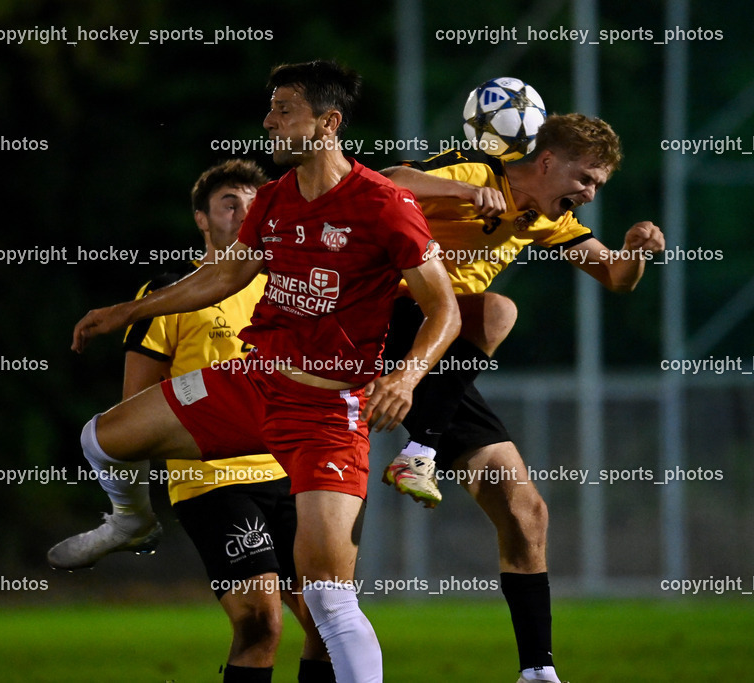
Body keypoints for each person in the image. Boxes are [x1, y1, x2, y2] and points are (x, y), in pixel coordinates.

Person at [48, 60, 461, 683]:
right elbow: (223, 277)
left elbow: (444, 310)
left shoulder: (384, 205)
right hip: (252, 385)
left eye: (283, 109)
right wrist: (126, 310)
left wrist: (403, 379)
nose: (268, 120)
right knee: (99, 439)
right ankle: (131, 520)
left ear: (329, 123)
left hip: (325, 415)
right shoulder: (273, 199)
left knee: (326, 601)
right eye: (269, 108)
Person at [379, 113, 666, 683]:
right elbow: (386, 179)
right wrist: (466, 190)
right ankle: (419, 452)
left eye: (598, 186)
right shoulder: (479, 172)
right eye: (585, 179)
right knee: (498, 310)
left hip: (437, 358)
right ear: (546, 162)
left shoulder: (543, 218)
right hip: (378, 321)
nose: (589, 194)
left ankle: (538, 672)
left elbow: (614, 277)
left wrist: (638, 251)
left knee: (523, 508)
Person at [122, 159, 333, 682]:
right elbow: (135, 406)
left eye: (251, 202)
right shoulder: (171, 292)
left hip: (290, 472)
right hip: (212, 479)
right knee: (260, 622)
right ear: (201, 219)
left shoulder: (289, 288)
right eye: (228, 203)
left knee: (330, 623)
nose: (242, 211)